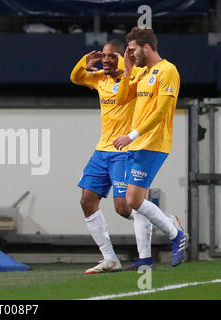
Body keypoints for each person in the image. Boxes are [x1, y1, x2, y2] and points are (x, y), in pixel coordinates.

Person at [71, 39, 154, 274]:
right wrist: (84, 62)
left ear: (123, 57)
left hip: (124, 151)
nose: (106, 60)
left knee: (124, 208)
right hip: (102, 150)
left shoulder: (135, 76)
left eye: (111, 56)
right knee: (87, 201)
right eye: (104, 56)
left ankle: (165, 222)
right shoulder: (99, 79)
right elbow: (76, 78)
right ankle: (109, 258)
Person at [113, 27, 187, 267]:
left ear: (146, 47)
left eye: (132, 50)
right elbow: (122, 98)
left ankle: (176, 234)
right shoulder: (142, 72)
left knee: (133, 201)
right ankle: (144, 258)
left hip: (153, 143)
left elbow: (163, 110)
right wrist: (126, 70)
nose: (129, 53)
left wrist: (131, 135)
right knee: (136, 203)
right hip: (137, 144)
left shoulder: (168, 71)